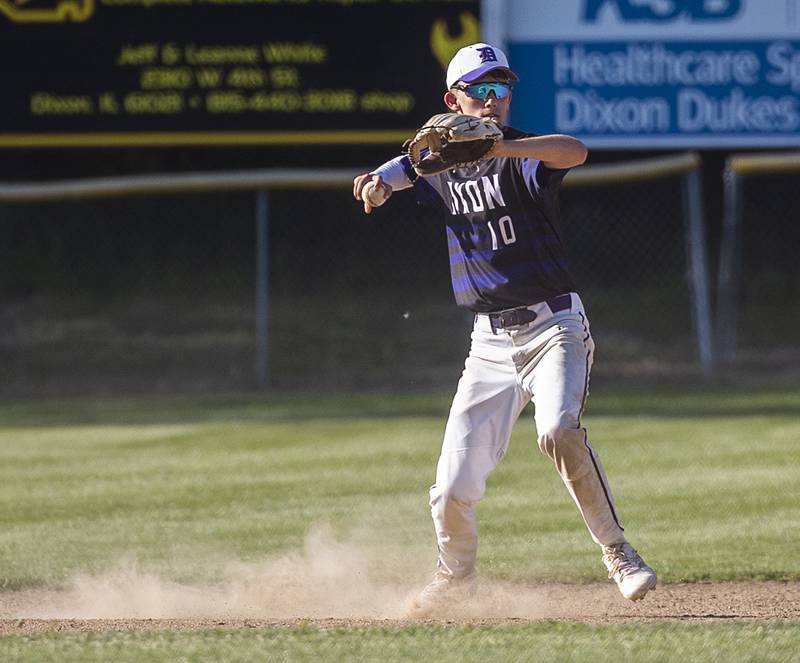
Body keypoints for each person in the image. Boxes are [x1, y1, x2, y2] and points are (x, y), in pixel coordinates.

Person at [352, 43, 656, 614]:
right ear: (453, 99)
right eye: (481, 90)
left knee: (558, 429)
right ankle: (454, 576)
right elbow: (402, 167)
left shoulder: (523, 153)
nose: (493, 100)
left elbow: (576, 150)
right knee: (450, 488)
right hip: (488, 345)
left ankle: (618, 552)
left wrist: (502, 142)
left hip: (554, 327)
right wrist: (376, 182)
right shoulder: (437, 162)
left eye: (502, 89)